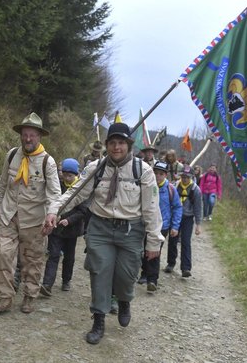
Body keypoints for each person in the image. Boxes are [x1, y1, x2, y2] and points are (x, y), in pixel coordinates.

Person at [52, 122, 163, 345]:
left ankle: (124, 300)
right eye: (112, 143)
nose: (116, 147)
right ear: (107, 145)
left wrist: (154, 241)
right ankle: (99, 320)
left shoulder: (143, 171)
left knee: (126, 275)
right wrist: (54, 210)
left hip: (130, 231)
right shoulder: (96, 168)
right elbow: (76, 193)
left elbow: (152, 208)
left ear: (129, 145)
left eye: (121, 142)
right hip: (100, 228)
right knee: (99, 272)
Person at [0, 113, 61, 314]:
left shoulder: (47, 162)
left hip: (33, 220)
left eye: (32, 135)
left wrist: (51, 214)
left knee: (32, 260)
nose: (28, 139)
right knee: (4, 254)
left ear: (39, 136)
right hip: (10, 214)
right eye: (25, 134)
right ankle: (5, 297)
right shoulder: (12, 155)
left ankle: (30, 296)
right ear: (21, 135)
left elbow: (55, 193)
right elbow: (3, 182)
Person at [40, 158, 87, 295]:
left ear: (75, 174)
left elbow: (83, 211)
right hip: (56, 229)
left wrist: (69, 220)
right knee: (53, 255)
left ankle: (66, 280)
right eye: (65, 174)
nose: (67, 177)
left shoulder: (81, 188)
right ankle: (47, 284)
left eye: (70, 175)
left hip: (72, 230)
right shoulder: (57, 186)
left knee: (69, 257)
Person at [140, 161, 182, 292]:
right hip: (145, 224)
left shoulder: (170, 189)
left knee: (154, 251)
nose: (158, 176)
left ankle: (152, 280)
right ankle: (144, 273)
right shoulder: (146, 186)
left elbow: (177, 208)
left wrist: (175, 226)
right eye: (155, 173)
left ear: (165, 175)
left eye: (161, 174)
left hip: (162, 226)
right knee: (143, 249)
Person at [165, 166, 202, 277]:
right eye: (183, 176)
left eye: (187, 177)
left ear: (192, 177)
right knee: (172, 240)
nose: (185, 179)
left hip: (187, 218)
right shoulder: (175, 186)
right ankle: (170, 263)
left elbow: (198, 208)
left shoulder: (196, 190)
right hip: (175, 216)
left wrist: (198, 225)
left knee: (186, 242)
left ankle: (186, 268)